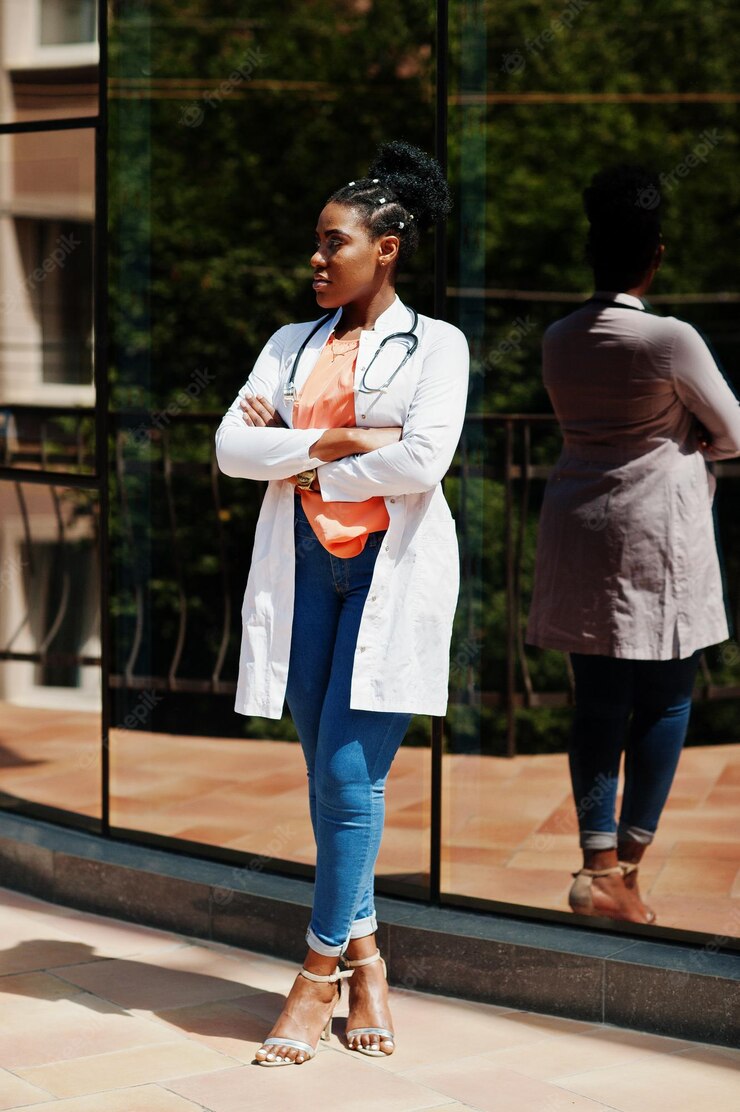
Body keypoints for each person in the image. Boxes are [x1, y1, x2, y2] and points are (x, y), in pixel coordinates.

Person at [215, 141, 469, 1065]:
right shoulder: (290, 345)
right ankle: (369, 959)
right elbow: (229, 451)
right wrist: (346, 437)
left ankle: (314, 977)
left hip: (386, 574)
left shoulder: (439, 344)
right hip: (304, 566)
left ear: (387, 249)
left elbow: (423, 462)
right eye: (315, 245)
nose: (316, 261)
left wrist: (296, 437)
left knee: (351, 779)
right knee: (327, 775)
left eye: (334, 243)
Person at [526, 164, 740, 925]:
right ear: (655, 255)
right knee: (668, 699)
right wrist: (689, 443)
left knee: (597, 702)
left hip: (580, 529)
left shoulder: (557, 338)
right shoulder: (670, 338)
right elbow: (733, 430)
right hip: (657, 536)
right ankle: (629, 869)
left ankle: (595, 864)